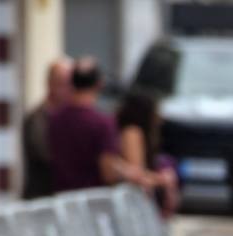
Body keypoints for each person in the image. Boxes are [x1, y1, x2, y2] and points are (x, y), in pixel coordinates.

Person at [47, 58, 155, 194]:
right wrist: (132, 174)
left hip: (63, 201)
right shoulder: (102, 123)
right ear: (99, 84)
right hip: (92, 202)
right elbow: (108, 171)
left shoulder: (55, 119)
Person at [116, 90, 179, 218]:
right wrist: (162, 179)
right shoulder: (132, 132)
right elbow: (136, 171)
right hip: (132, 205)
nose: (159, 117)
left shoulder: (131, 132)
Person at [21, 58, 72, 199]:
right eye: (63, 84)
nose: (69, 90)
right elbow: (46, 154)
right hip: (42, 197)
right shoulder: (37, 119)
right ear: (50, 84)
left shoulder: (69, 116)